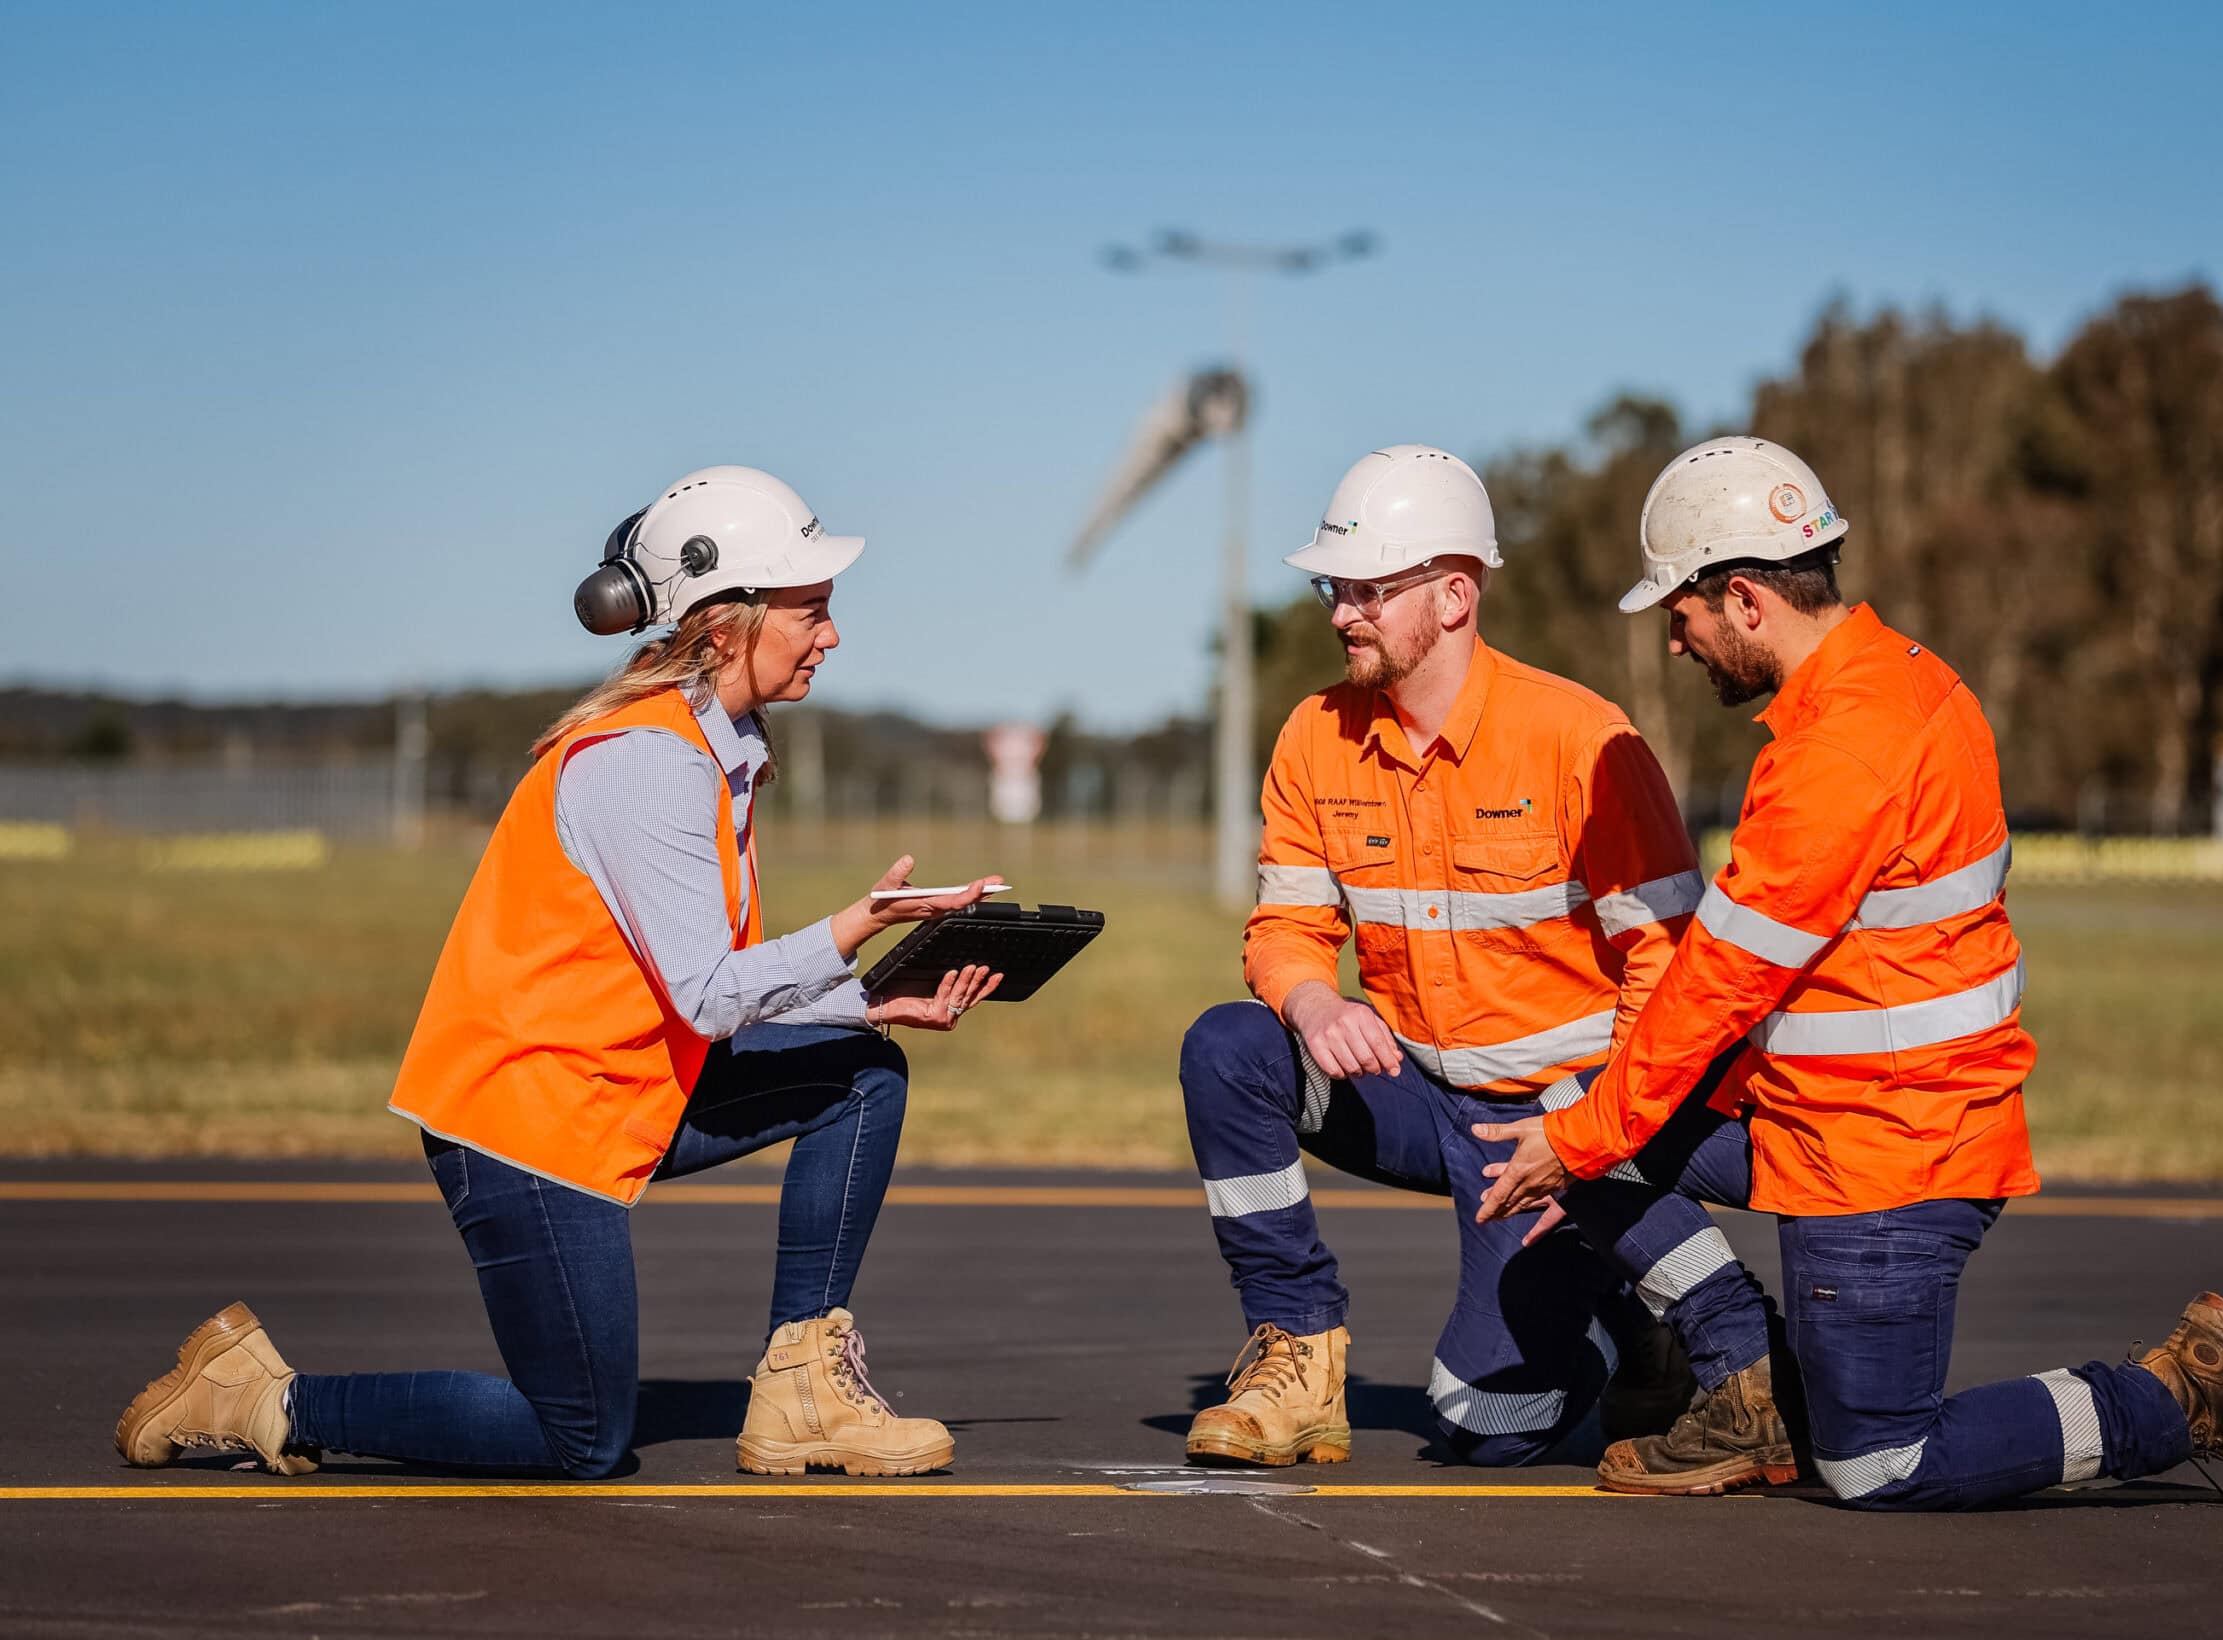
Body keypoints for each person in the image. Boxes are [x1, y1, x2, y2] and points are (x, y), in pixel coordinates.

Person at [1471, 437, 2223, 1510]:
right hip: (1817, 1116)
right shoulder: (1904, 683)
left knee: (1877, 1464)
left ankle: (2181, 1399)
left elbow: (1719, 982)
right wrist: (1586, 1129)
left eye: (1680, 614)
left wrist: (1575, 1142)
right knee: (1585, 1111)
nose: (1675, 642)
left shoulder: (1839, 752)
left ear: (1745, 601)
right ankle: (1750, 1383)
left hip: (1890, 1149)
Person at [114, 465, 1005, 1481]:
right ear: (724, 625)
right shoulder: (644, 761)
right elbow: (711, 995)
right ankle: (261, 1397)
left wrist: (866, 997)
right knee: (578, 1438)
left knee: (861, 1071)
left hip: (617, 1090)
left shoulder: (723, 750)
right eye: (811, 611)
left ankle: (804, 1391)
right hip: (524, 1121)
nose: (831, 636)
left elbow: (699, 980)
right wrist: (850, 928)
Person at [1179, 444, 1776, 1468]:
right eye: (1335, 587)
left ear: (1454, 596)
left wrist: (1589, 1132)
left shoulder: (1580, 740)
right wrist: (1315, 1004)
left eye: (1369, 590)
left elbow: (1668, 972)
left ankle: (1637, 1321)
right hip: (1418, 1097)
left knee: (1480, 1425)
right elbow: (1284, 931)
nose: (1340, 613)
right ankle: (1299, 1352)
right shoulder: (1313, 737)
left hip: (1568, 1115)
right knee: (1228, 1048)